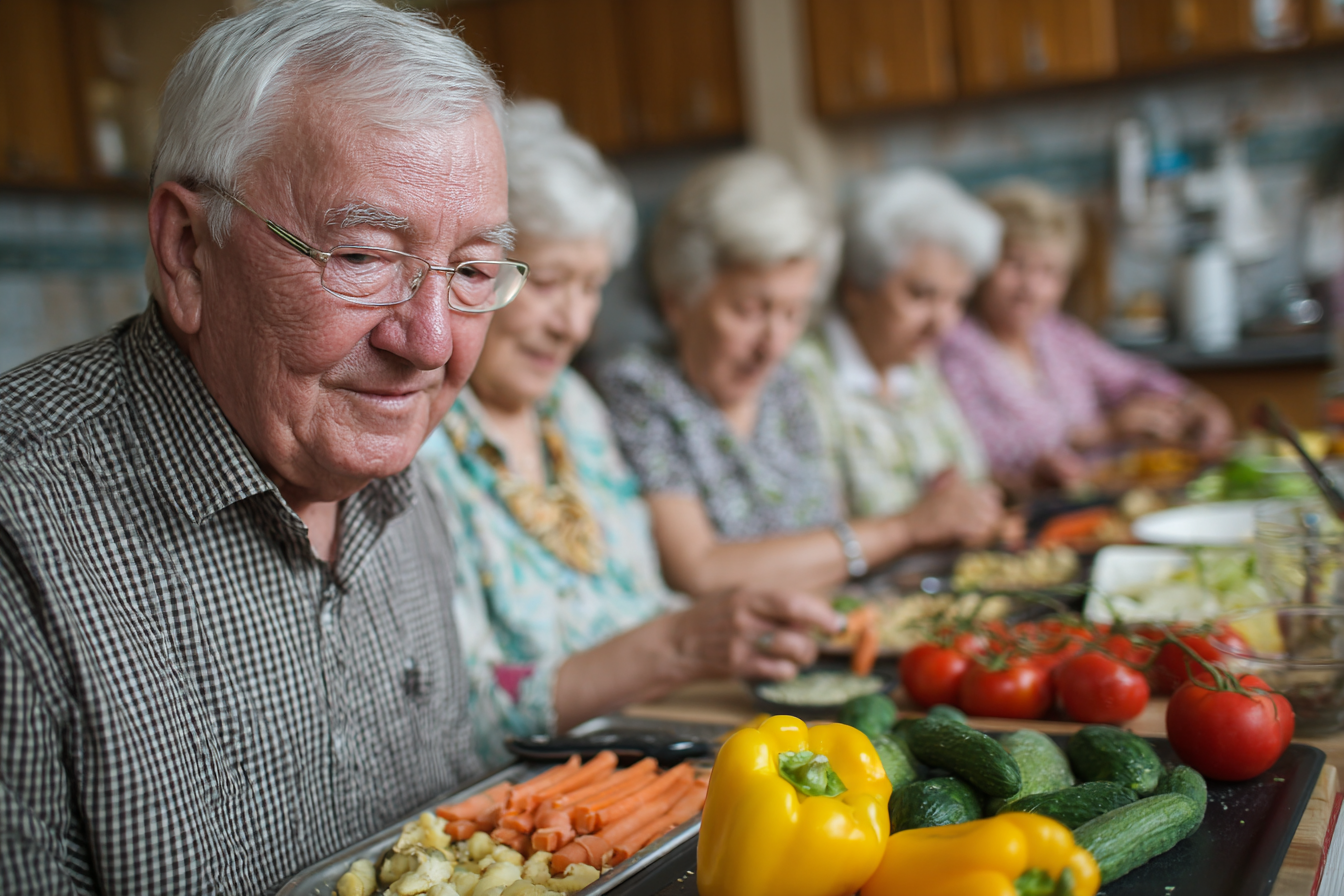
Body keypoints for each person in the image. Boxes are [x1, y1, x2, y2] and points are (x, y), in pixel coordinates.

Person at [0, 3, 520, 891]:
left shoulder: (394, 471)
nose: (430, 342)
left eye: (471, 271)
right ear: (190, 251)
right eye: (363, 256)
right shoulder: (23, 522)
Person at [419, 104, 839, 767]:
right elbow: (455, 717)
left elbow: (643, 600)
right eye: (551, 282)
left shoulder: (572, 407)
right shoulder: (417, 439)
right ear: (472, 273)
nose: (574, 325)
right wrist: (677, 645)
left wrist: (745, 627)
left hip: (658, 736)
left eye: (593, 290)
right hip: (543, 799)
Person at [598, 154, 1000, 599]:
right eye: (750, 311)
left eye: (794, 313)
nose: (773, 344)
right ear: (677, 301)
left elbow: (827, 538)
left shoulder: (783, 383)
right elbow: (700, 570)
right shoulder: (640, 387)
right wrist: (904, 528)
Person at [939, 179, 1233, 492]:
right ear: (981, 265)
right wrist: (1101, 432)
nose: (1030, 287)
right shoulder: (953, 344)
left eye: (1049, 271)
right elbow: (978, 444)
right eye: (1015, 264)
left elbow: (1131, 376)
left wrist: (1194, 402)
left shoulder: (1058, 334)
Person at [791, 168, 1008, 530]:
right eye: (921, 294)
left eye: (958, 300)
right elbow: (818, 531)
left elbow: (972, 478)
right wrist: (918, 520)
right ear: (856, 289)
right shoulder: (804, 373)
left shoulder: (916, 364)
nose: (943, 323)